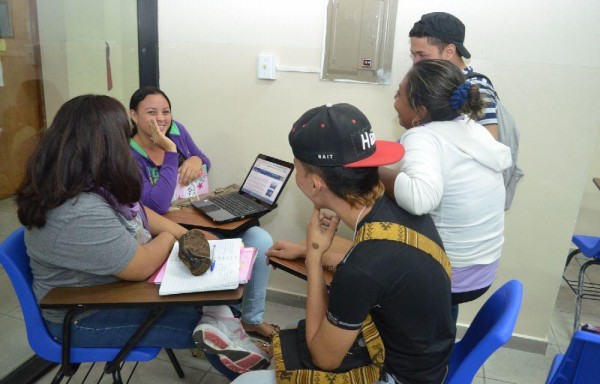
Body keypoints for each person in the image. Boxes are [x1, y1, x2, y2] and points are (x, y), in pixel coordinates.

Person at [15, 95, 269, 374]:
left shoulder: (88, 182)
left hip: (110, 289)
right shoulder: (78, 209)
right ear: (105, 144)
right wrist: (174, 240)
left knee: (218, 313)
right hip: (86, 315)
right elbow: (140, 265)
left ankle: (248, 366)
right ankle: (254, 375)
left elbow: (143, 213)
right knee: (212, 326)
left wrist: (189, 233)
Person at [235, 103, 456, 384]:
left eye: (297, 168)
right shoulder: (398, 209)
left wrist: (314, 257)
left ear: (315, 184)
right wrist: (305, 249)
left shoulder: (361, 269)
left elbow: (324, 358)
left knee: (245, 381)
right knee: (293, 333)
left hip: (400, 376)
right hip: (429, 359)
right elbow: (385, 272)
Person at [128, 87, 278, 341]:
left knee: (261, 241)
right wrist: (170, 152)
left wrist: (196, 160)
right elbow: (158, 203)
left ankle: (251, 319)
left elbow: (204, 161)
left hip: (197, 213)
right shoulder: (129, 154)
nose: (161, 119)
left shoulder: (177, 130)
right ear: (133, 115)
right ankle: (213, 323)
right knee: (212, 249)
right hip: (163, 228)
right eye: (151, 113)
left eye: (166, 111)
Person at [379, 59, 512, 321]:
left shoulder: (423, 136)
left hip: (450, 275)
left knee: (362, 266)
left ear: (420, 111)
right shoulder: (472, 128)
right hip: (481, 270)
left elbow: (419, 199)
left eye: (399, 93)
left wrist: (375, 171)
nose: (394, 101)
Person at [408, 12, 500, 141]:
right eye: (413, 54)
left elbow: (491, 146)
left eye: (422, 55)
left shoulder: (475, 87)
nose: (415, 62)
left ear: (449, 52)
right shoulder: (439, 84)